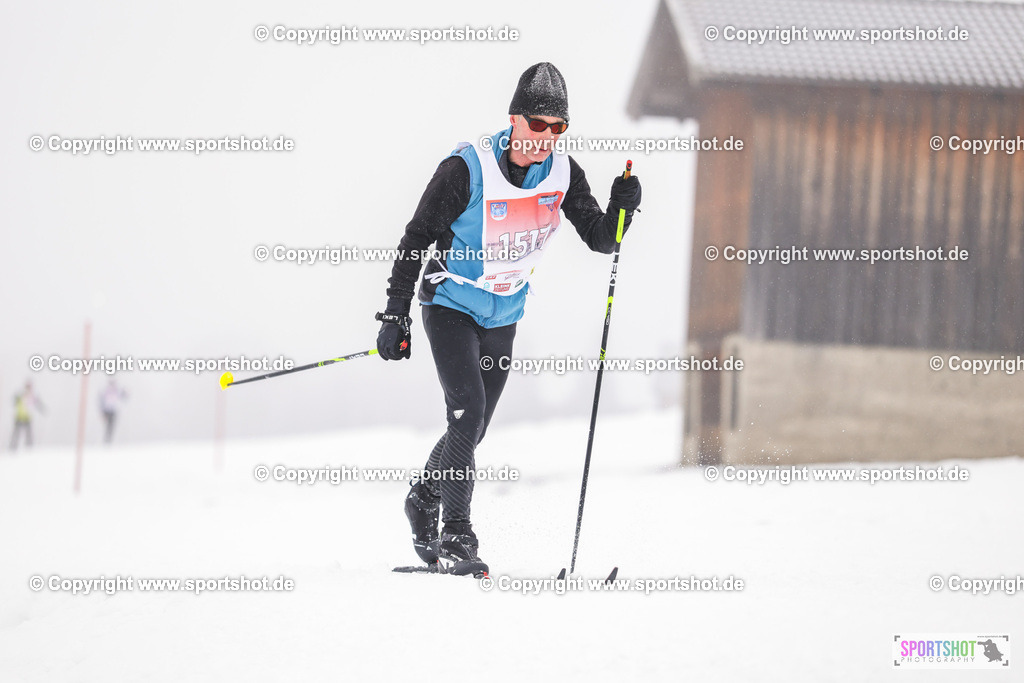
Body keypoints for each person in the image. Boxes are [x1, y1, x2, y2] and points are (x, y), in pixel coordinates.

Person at [376, 62, 642, 576]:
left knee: (473, 430)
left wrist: (623, 208)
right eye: (537, 124)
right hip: (451, 302)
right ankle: (456, 533)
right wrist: (395, 314)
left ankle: (425, 496)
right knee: (466, 412)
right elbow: (415, 240)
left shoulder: (564, 174)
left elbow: (602, 238)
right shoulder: (466, 170)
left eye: (557, 127)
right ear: (515, 119)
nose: (545, 137)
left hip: (504, 313)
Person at [10, 381, 45, 451]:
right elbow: (14, 401)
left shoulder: (32, 396)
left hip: (27, 418)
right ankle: (13, 448)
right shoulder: (20, 394)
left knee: (29, 434)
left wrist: (42, 409)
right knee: (16, 434)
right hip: (19, 417)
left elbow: (38, 403)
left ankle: (29, 449)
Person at [99, 380, 128, 444]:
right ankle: (107, 439)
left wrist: (125, 393)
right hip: (108, 410)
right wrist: (102, 412)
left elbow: (122, 396)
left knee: (110, 425)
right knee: (109, 425)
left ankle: (108, 439)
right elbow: (102, 400)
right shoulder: (107, 391)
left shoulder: (115, 390)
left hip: (112, 410)